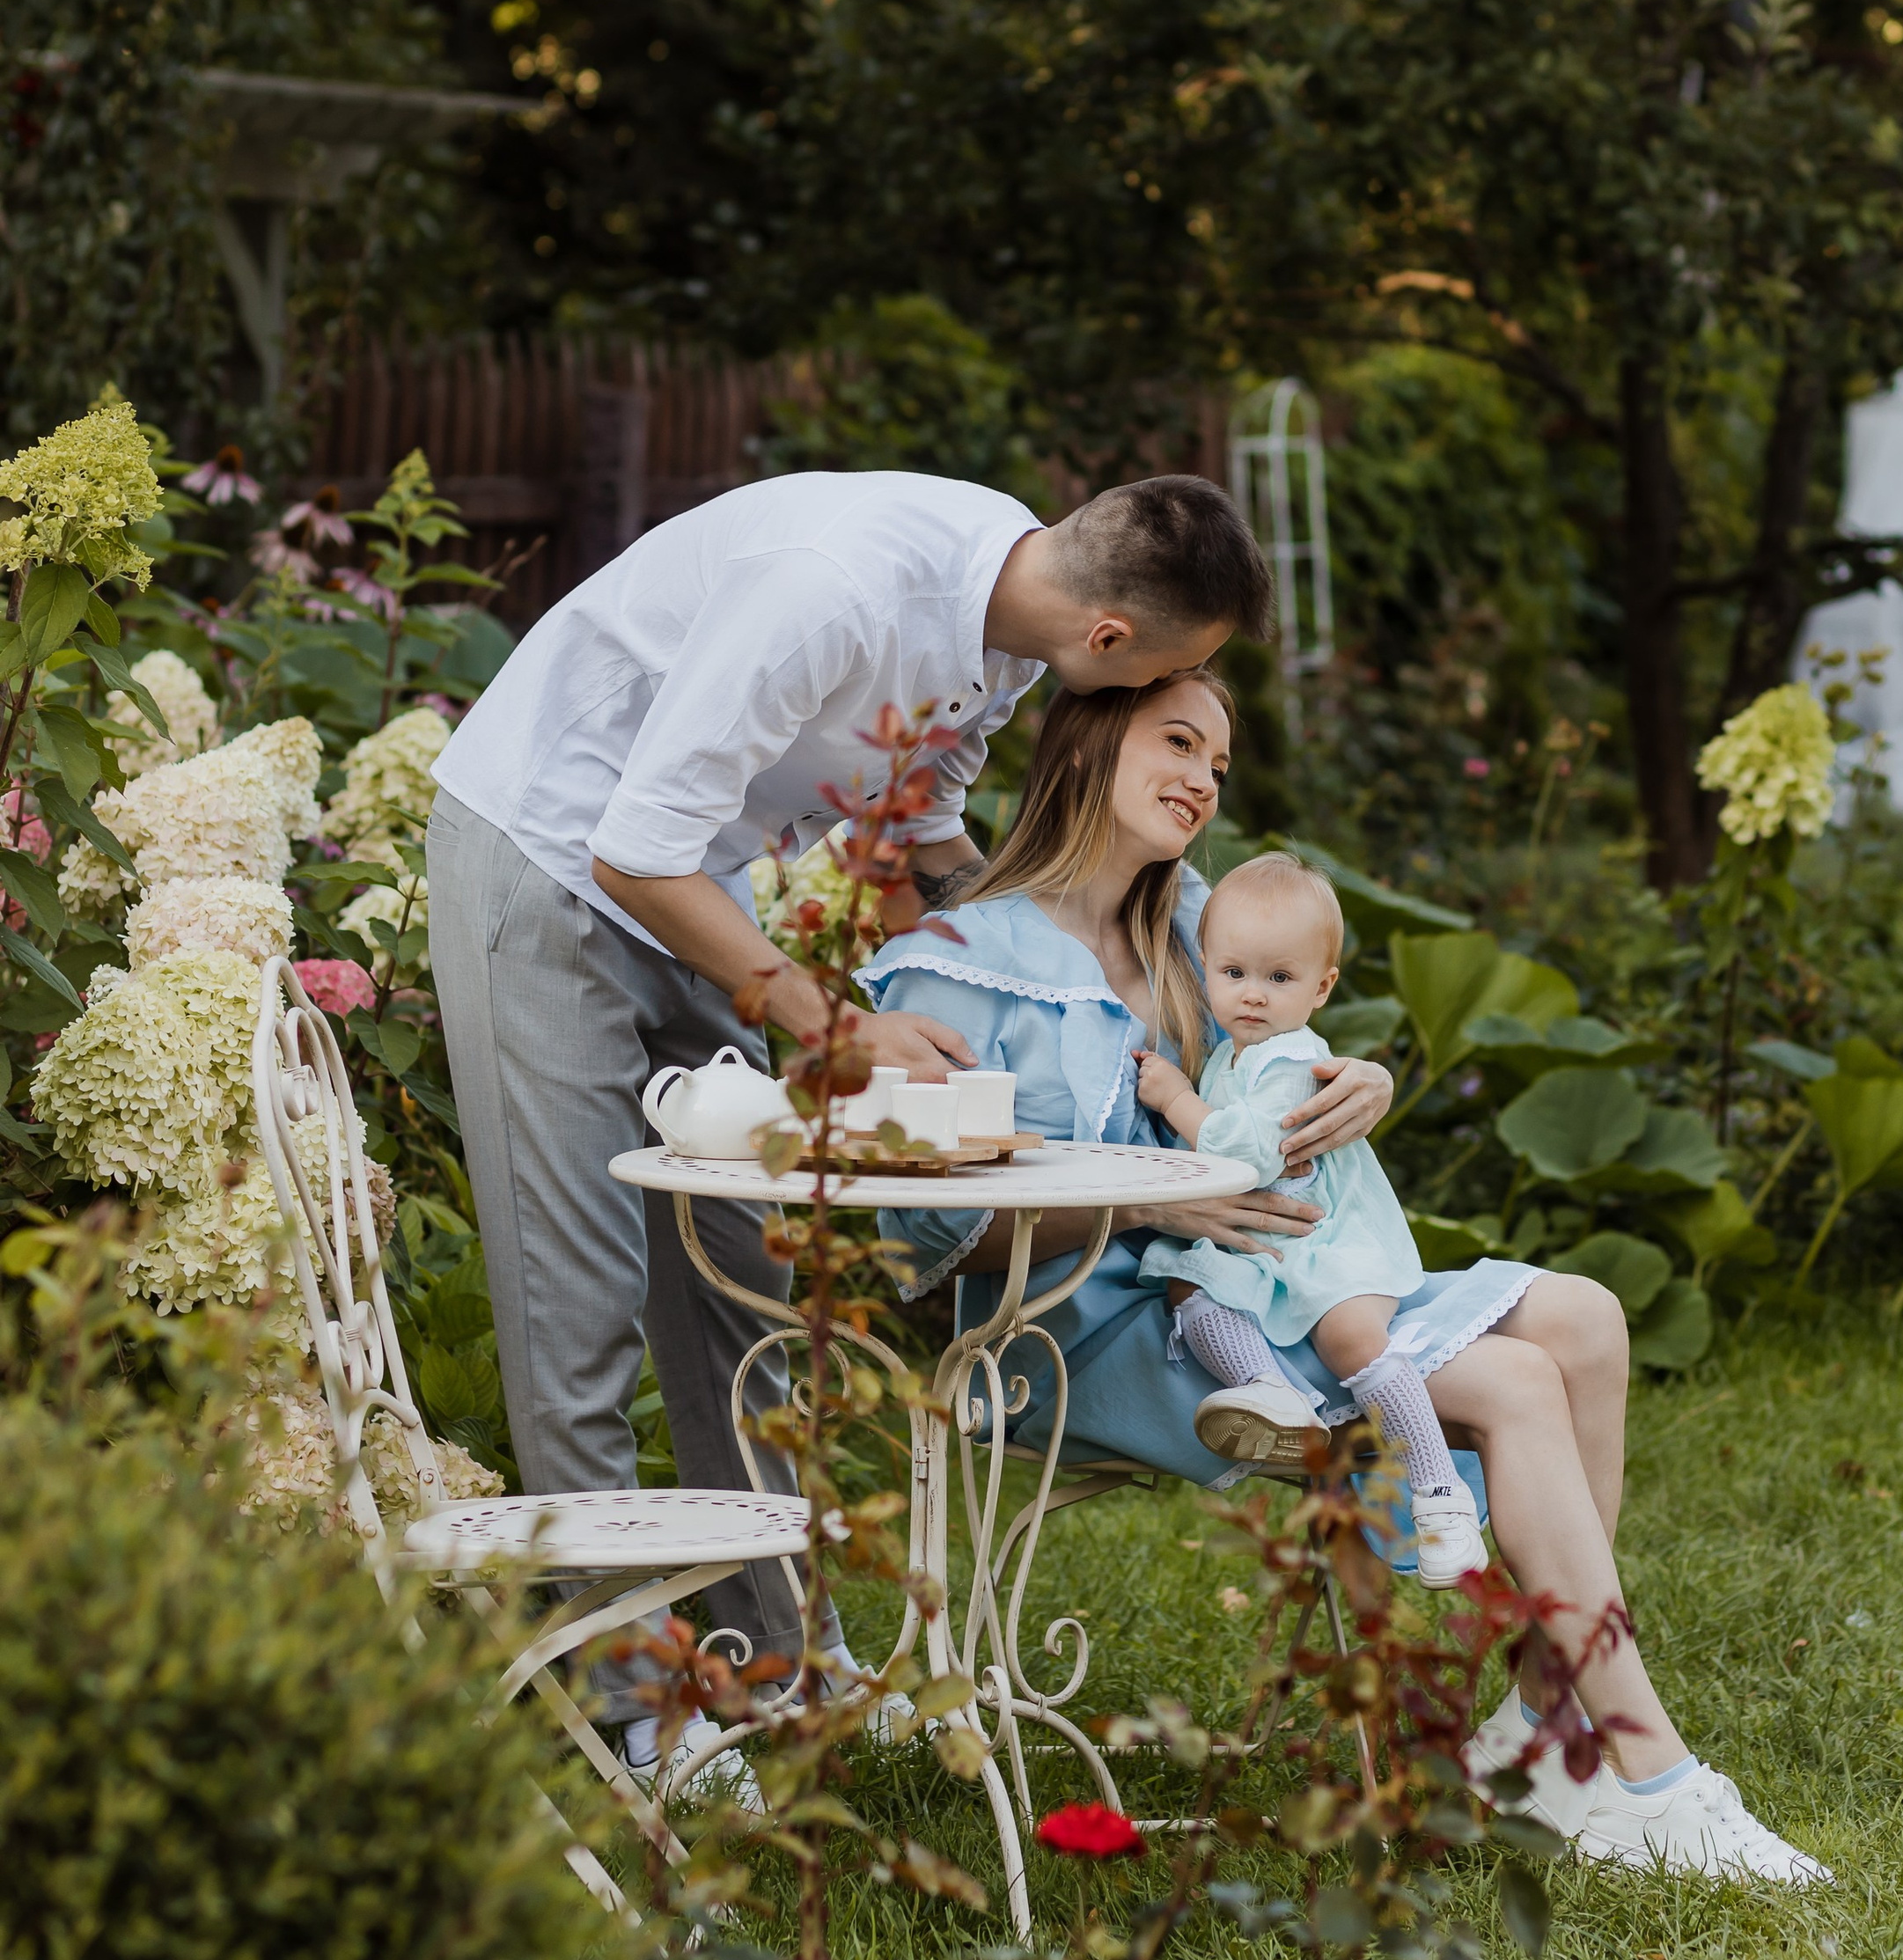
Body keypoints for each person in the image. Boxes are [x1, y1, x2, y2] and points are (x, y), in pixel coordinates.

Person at [863, 666, 1831, 1884]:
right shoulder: (962, 954)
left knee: (1583, 1319)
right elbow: (918, 1238)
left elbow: (1273, 1056)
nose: (1204, 781)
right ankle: (1650, 1772)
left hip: (1266, 1277)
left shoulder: (1189, 923)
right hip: (1090, 1329)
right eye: (1176, 742)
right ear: (1089, 743)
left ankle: (1543, 1727)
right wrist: (1142, 1196)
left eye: (1217, 760)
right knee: (1522, 1385)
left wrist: (1357, 1077)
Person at [425, 465, 1312, 1695]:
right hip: (551, 849)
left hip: (694, 868)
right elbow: (631, 850)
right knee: (577, 1296)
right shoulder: (835, 592)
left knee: (739, 1274)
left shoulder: (1008, 623)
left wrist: (1054, 966)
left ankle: (780, 1659)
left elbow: (916, 828)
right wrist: (828, 1023)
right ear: (1108, 637)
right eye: (1156, 680)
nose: (1151, 701)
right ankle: (630, 1706)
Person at [1131, 850, 1488, 1590]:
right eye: (1233, 974)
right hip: (1280, 1242)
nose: (1253, 995)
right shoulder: (1234, 1055)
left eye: (1279, 978)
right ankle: (1275, 1397)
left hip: (1336, 1242)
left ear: (1322, 988)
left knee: (1354, 1338)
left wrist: (1172, 1100)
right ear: (1206, 970)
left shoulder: (1292, 1057)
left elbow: (1250, 1152)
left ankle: (1439, 1496)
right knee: (1188, 1282)